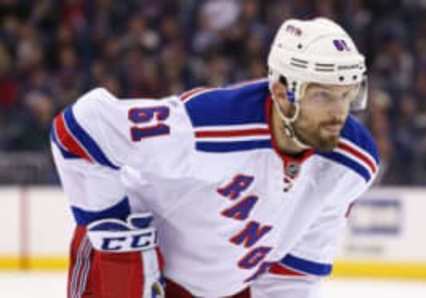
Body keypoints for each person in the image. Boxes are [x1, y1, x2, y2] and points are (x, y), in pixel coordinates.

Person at [51, 17, 379, 298]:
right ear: (281, 92)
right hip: (133, 276)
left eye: (347, 94)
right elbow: (81, 128)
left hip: (226, 289)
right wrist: (118, 237)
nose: (339, 113)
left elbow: (295, 272)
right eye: (322, 95)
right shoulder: (207, 125)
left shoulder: (351, 163)